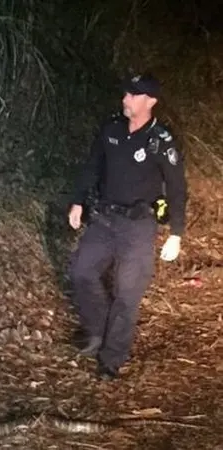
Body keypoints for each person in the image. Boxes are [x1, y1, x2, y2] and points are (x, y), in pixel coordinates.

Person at [67, 73, 188, 381]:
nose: (125, 99)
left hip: (139, 227)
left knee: (127, 293)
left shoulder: (161, 141)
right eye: (125, 93)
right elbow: (92, 165)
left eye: (133, 95)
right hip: (105, 219)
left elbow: (176, 187)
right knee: (82, 272)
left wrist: (176, 233)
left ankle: (111, 358)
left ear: (150, 101)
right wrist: (78, 201)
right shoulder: (111, 129)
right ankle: (97, 330)